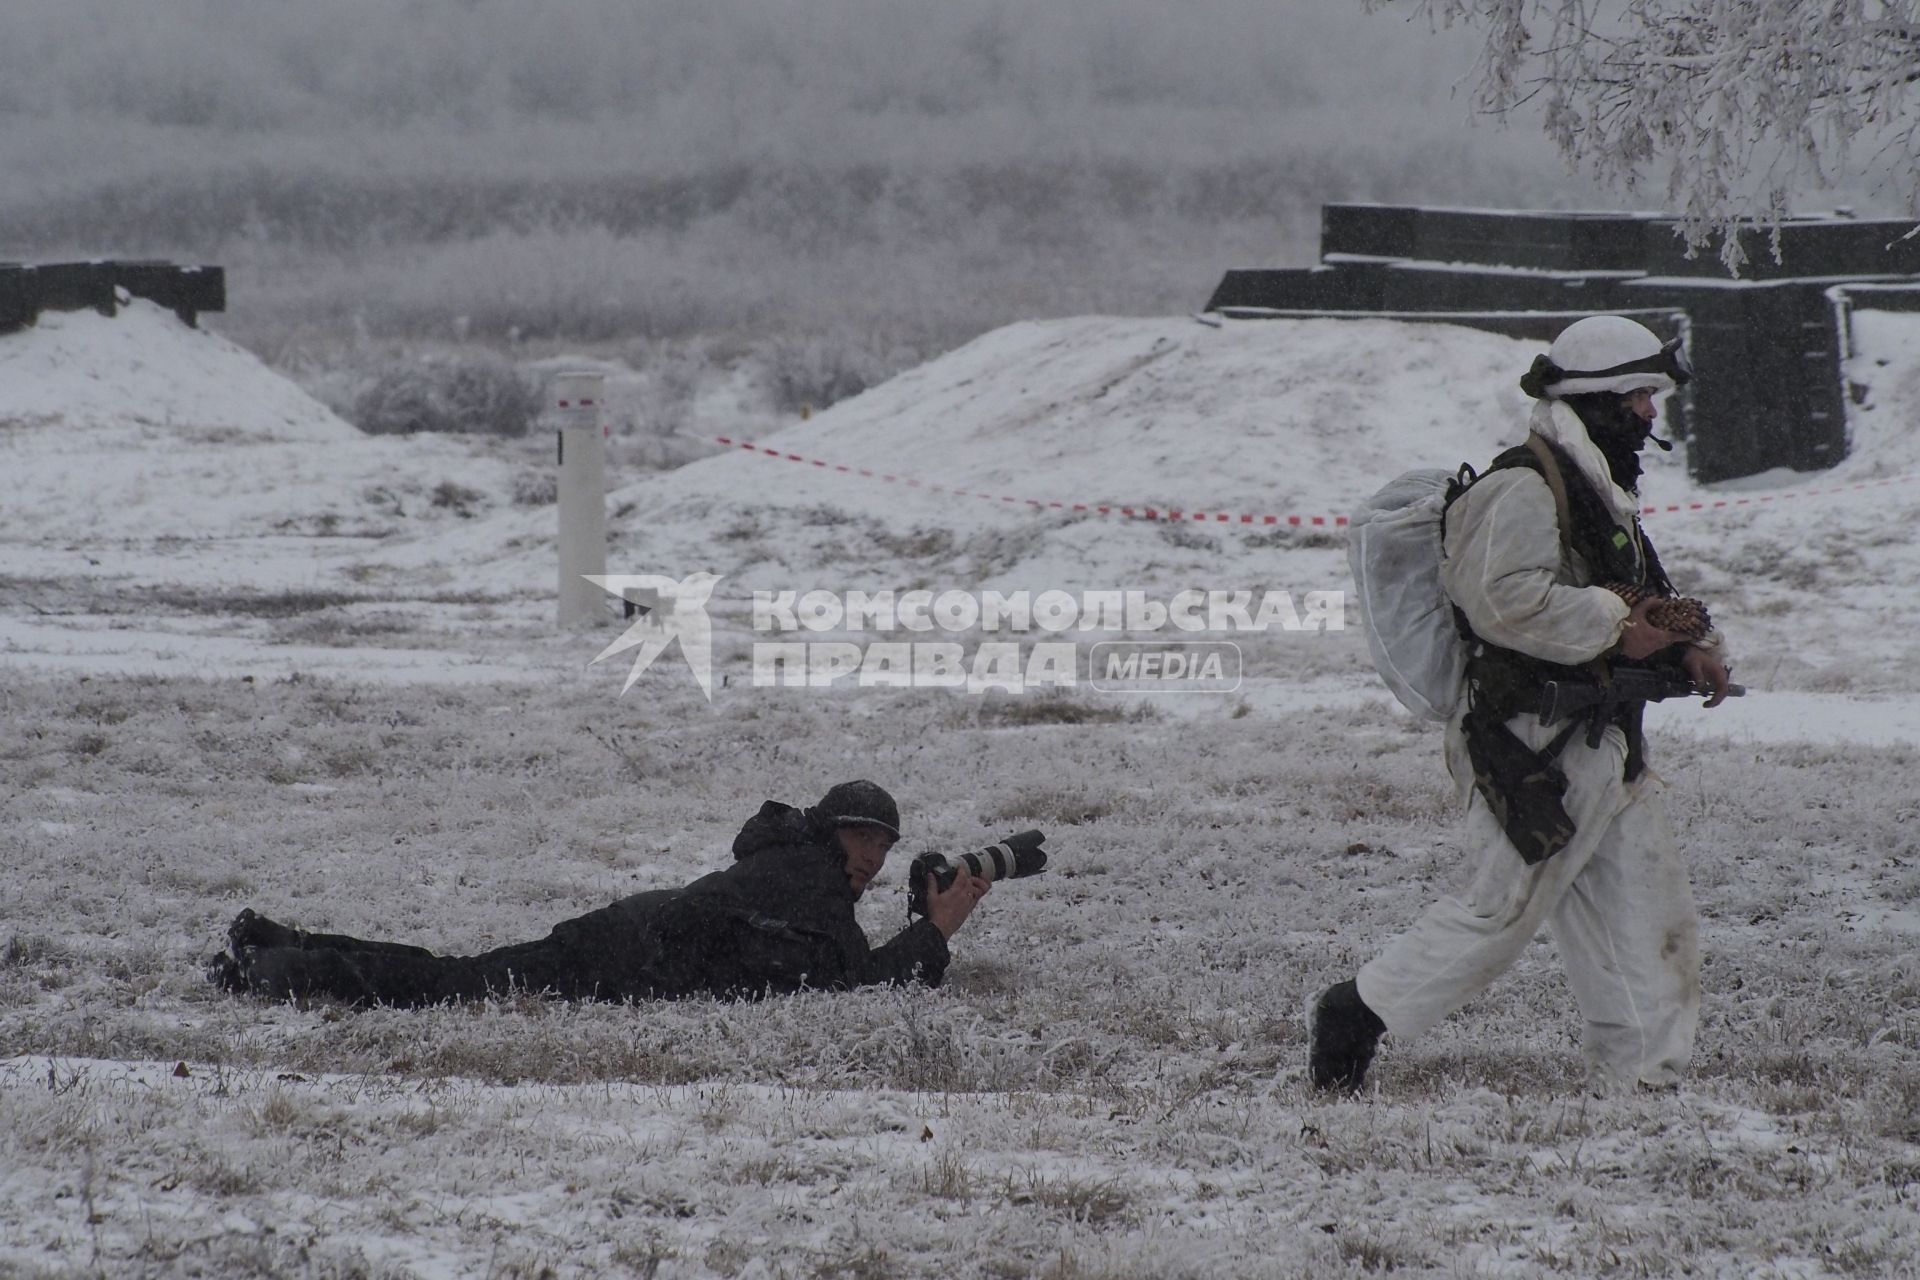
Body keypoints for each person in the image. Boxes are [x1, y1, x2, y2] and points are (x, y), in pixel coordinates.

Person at [1310, 315, 1734, 1095]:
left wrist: (1689, 645)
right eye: (1637, 395)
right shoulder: (1521, 488)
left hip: (1605, 741)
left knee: (1645, 913)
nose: (1648, 411)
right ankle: (1354, 1012)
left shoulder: (1600, 490)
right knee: (1499, 920)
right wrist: (1617, 626)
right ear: (1598, 400)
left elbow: (1644, 598)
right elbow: (1504, 604)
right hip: (1531, 740)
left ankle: (1644, 1077)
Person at [208, 780, 995, 1006]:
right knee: (458, 986)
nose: (873, 861)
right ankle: (277, 973)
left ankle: (283, 945)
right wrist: (937, 932)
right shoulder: (807, 877)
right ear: (835, 833)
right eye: (865, 842)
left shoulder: (794, 863)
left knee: (464, 973)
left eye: (885, 851)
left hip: (630, 932)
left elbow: (831, 959)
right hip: (627, 958)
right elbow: (852, 986)